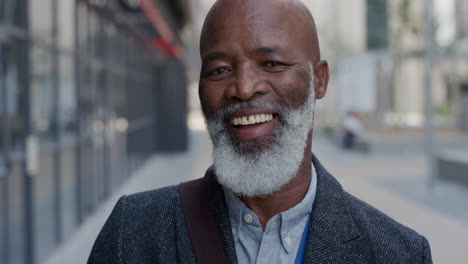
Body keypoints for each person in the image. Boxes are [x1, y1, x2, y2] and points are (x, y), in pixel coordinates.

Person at [88, 0, 432, 263]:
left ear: (320, 80)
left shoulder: (398, 253)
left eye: (272, 64)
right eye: (220, 69)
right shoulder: (132, 234)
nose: (243, 87)